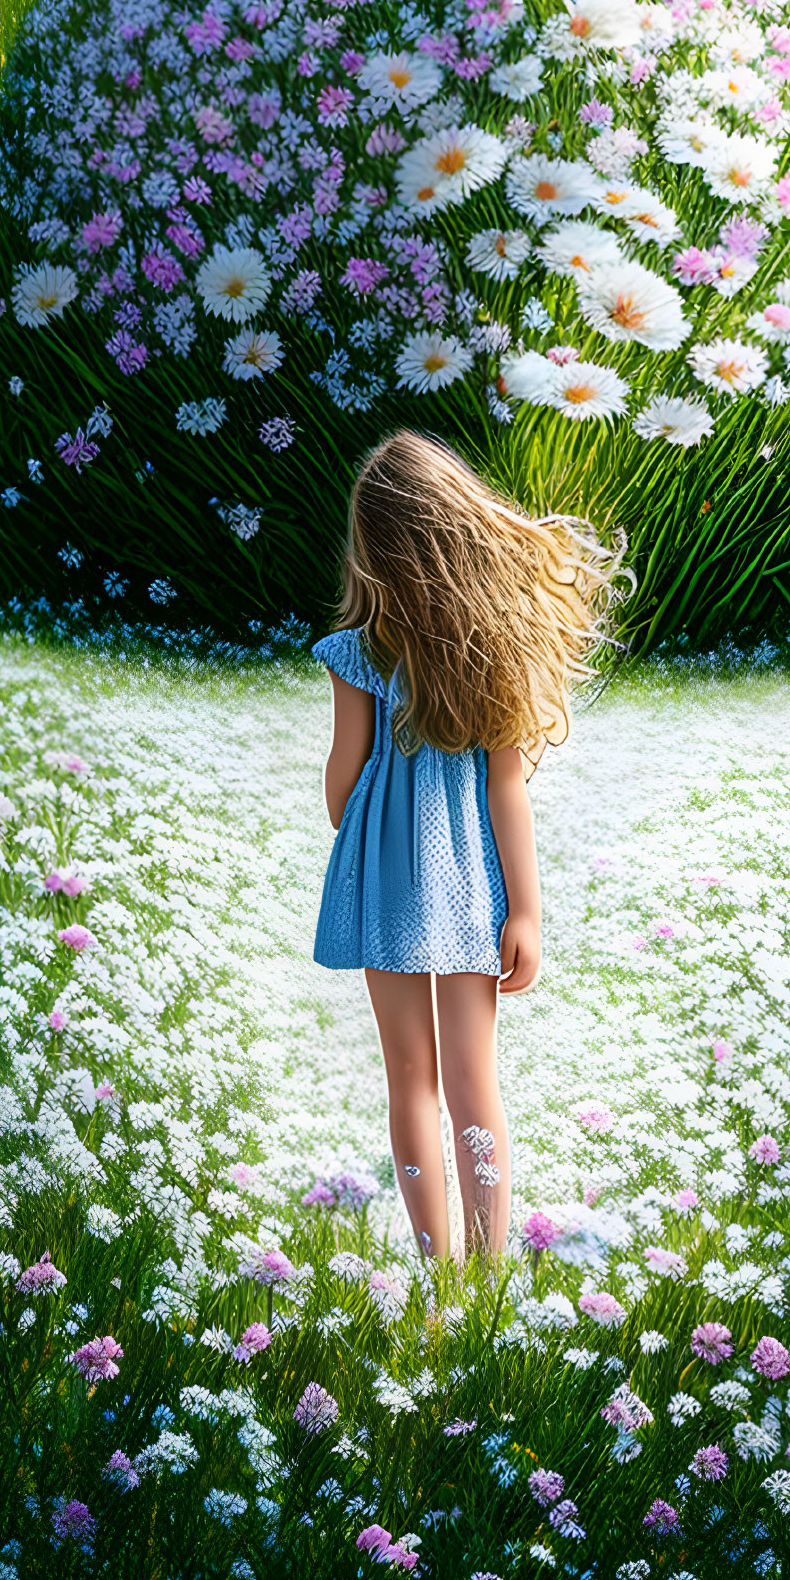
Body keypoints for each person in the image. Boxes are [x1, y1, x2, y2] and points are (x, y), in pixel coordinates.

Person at [311, 427, 631, 1267]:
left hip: (383, 877)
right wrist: (523, 908)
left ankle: (436, 1268)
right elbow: (504, 790)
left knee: (408, 1079)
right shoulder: (488, 652)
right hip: (467, 888)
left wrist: (367, 832)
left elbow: (343, 780)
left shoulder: (356, 655)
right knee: (471, 1081)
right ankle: (488, 1271)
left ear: (374, 551)